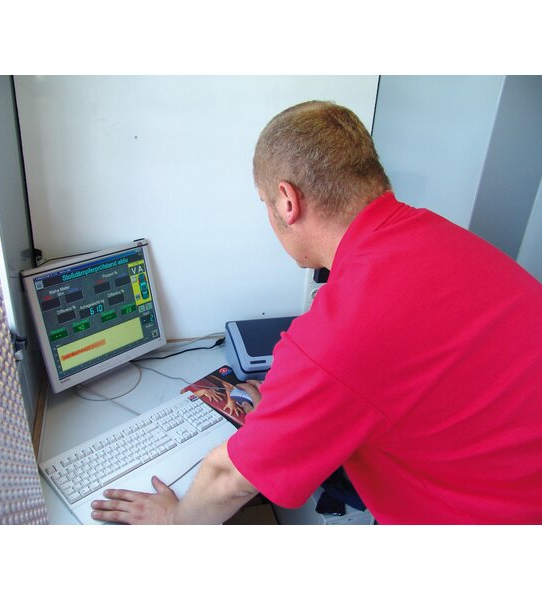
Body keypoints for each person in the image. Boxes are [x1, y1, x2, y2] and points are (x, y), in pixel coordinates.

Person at [91, 100, 542, 524]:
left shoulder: (342, 329)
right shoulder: (439, 235)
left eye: (265, 202)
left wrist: (170, 520)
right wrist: (291, 411)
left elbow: (229, 479)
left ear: (287, 202)